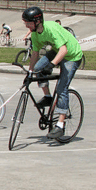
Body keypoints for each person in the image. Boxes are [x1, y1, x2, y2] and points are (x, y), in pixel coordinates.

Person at [22, 7, 83, 139]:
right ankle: (48, 97)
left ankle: (60, 125)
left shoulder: (51, 28)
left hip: (72, 55)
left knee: (62, 88)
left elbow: (64, 50)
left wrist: (51, 64)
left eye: (28, 22)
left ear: (37, 21)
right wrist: (30, 72)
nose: (26, 25)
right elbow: (35, 54)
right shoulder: (35, 34)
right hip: (56, 51)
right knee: (38, 68)